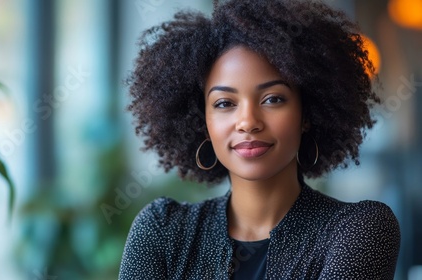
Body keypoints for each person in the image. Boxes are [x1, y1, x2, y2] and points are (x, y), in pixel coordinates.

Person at [119, 0, 400, 279]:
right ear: (202, 122)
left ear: (307, 114)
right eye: (224, 103)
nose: (248, 122)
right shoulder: (162, 231)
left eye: (273, 99)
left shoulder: (360, 230)